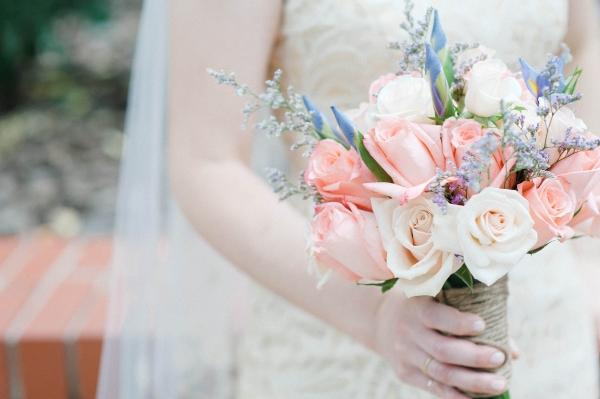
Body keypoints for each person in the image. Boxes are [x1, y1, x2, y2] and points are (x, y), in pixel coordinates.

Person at [102, 1, 600, 398]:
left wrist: (590, 274)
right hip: (334, 338)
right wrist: (373, 317)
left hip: (546, 338)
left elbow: (585, 63)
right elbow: (205, 161)